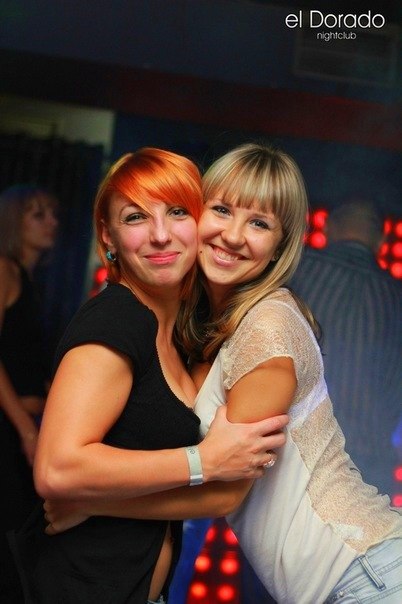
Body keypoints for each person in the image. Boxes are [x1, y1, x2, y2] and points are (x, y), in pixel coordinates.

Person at [45, 143, 402, 604]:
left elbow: (224, 493)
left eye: (259, 223)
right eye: (222, 210)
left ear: (279, 245)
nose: (233, 236)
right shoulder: (205, 324)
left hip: (366, 574)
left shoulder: (267, 327)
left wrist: (94, 503)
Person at [9, 147, 286, 604]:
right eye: (136, 217)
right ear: (109, 235)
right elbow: (57, 469)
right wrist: (203, 461)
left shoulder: (177, 333)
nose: (160, 235)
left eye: (177, 212)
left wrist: (100, 502)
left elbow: (220, 493)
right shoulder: (118, 319)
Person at [289, 199, 402, 497]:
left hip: (291, 455)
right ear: (381, 241)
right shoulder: (396, 298)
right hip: (368, 468)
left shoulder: (297, 270)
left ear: (327, 227)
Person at [0, 184, 58, 601]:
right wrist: (26, 430)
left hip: (28, 424)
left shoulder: (33, 282)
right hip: (9, 427)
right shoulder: (4, 269)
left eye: (53, 213)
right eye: (38, 214)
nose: (52, 222)